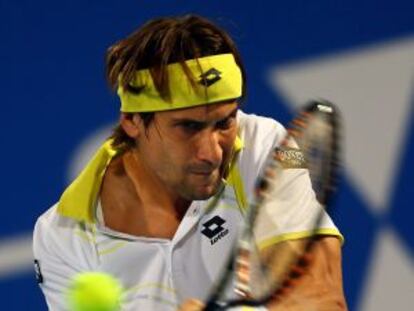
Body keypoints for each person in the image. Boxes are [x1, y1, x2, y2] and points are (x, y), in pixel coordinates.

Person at [33, 14, 347, 311]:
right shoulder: (63, 234)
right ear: (132, 120)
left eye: (224, 123)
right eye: (189, 127)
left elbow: (321, 298)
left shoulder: (266, 150)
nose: (212, 153)